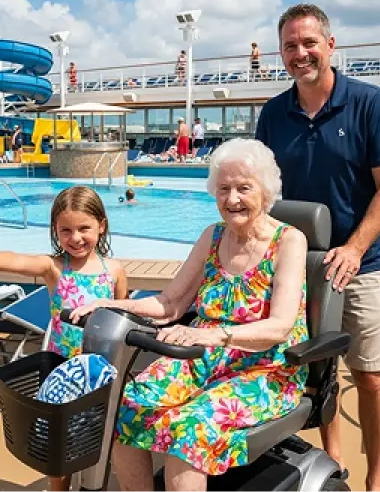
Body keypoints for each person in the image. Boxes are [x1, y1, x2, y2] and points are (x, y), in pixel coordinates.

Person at [70, 138, 309, 492]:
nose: (232, 199)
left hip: (264, 369)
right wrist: (110, 304)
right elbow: (170, 303)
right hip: (201, 358)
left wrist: (216, 335)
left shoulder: (288, 241)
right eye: (223, 189)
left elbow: (280, 327)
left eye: (243, 188)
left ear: (266, 190)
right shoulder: (213, 236)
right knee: (124, 404)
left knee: (188, 428)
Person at [255, 4, 380, 492]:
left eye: (309, 43)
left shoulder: (369, 103)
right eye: (290, 46)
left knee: (371, 378)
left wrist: (355, 248)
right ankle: (333, 459)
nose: (300, 53)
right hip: (299, 265)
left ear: (330, 45)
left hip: (363, 265)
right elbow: (264, 192)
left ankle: (376, 482)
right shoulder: (273, 114)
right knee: (319, 373)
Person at [0, 185, 129, 492]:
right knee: (59, 446)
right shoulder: (54, 267)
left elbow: (122, 315)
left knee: (94, 438)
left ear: (102, 225)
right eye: (65, 230)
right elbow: (15, 260)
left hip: (98, 371)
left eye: (84, 228)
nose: (75, 238)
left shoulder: (114, 270)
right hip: (61, 370)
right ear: (55, 230)